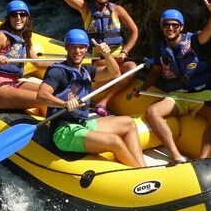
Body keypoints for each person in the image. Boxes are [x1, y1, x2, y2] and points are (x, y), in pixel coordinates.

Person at [36, 29, 146, 168]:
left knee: (129, 123)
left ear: (86, 49)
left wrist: (107, 55)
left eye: (81, 47)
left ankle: (142, 167)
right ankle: (138, 172)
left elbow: (115, 72)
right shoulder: (57, 71)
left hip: (82, 123)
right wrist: (64, 103)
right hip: (64, 131)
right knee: (115, 141)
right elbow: (41, 95)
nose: (78, 51)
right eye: (74, 47)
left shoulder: (87, 70)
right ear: (67, 48)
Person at [133, 0, 211, 163]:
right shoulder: (159, 49)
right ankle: (176, 155)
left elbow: (210, 30)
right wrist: (143, 87)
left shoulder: (194, 40)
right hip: (178, 95)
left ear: (181, 27)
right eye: (167, 25)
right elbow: (156, 71)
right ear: (162, 27)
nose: (170, 28)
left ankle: (203, 159)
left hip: (202, 92)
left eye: (175, 25)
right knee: (153, 112)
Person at [59, 0, 139, 116]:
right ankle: (87, 95)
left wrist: (124, 51)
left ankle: (103, 102)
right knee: (115, 72)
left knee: (132, 67)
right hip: (100, 58)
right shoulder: (86, 8)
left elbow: (134, 31)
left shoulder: (118, 10)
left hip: (118, 56)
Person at [0, 0, 49, 116]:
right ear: (9, 18)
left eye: (22, 14)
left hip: (15, 82)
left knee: (51, 93)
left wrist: (66, 63)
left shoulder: (24, 39)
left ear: (27, 17)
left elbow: (39, 63)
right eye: (14, 14)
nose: (18, 18)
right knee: (45, 99)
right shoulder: (1, 36)